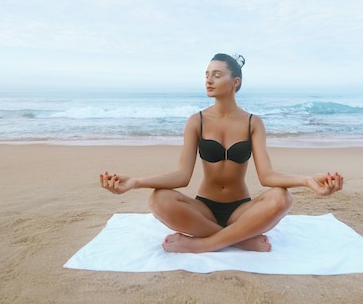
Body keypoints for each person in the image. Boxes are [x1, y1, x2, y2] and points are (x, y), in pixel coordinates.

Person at [100, 53, 343, 253]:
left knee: (282, 197)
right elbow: (182, 176)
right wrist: (135, 182)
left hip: (241, 210)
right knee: (157, 198)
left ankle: (204, 244)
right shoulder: (197, 121)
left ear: (235, 81)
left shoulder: (253, 123)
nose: (209, 80)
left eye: (217, 75)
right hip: (203, 209)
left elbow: (267, 176)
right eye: (207, 75)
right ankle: (239, 240)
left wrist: (307, 181)